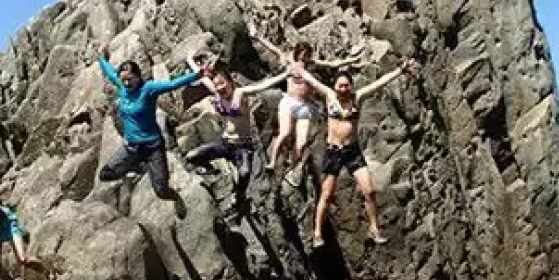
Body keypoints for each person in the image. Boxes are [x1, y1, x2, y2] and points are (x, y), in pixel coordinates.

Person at [296, 59, 419, 246]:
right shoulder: (329, 96)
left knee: (369, 191)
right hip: (333, 151)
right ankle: (317, 233)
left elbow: (379, 83)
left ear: (351, 86)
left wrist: (400, 70)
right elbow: (311, 80)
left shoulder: (357, 97)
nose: (343, 89)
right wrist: (298, 69)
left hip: (352, 151)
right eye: (340, 86)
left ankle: (374, 229)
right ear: (335, 86)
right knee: (327, 194)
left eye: (347, 85)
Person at [251, 34, 364, 182]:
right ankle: (272, 161)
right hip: (289, 102)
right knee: (284, 133)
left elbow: (333, 64)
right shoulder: (290, 61)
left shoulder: (311, 64)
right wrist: (258, 37)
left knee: (302, 142)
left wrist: (352, 60)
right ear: (297, 53)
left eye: (307, 55)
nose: (304, 58)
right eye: (302, 55)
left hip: (305, 106)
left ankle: (292, 169)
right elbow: (274, 49)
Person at [97, 45, 201, 202]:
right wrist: (101, 57)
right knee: (105, 174)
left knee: (161, 191)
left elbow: (172, 84)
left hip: (153, 147)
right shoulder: (122, 88)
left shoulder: (148, 89)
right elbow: (110, 72)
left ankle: (175, 196)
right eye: (123, 80)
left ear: (138, 76)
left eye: (129, 80)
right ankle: (139, 167)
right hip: (131, 148)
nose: (125, 84)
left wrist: (196, 75)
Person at [182, 54, 288, 204]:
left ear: (230, 82)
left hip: (242, 146)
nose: (220, 88)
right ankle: (212, 170)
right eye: (217, 85)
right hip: (225, 143)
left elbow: (263, 85)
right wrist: (190, 60)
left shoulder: (240, 93)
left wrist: (286, 74)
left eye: (222, 84)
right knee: (191, 156)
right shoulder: (217, 93)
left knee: (244, 172)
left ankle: (240, 194)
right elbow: (202, 76)